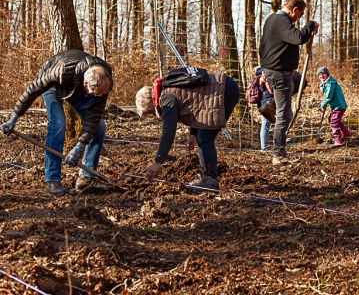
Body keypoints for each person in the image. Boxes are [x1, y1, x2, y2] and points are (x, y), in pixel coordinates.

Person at [0, 50, 113, 196]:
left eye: (102, 94)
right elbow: (32, 90)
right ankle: (52, 180)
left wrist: (79, 146)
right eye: (97, 94)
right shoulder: (60, 71)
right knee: (58, 124)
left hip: (77, 89)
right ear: (86, 84)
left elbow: (95, 116)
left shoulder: (104, 80)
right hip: (55, 84)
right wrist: (14, 118)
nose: (100, 97)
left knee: (99, 127)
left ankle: (86, 178)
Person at [135, 71, 239, 191]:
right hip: (223, 87)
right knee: (201, 136)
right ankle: (206, 177)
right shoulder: (167, 89)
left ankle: (210, 180)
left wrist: (158, 162)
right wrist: (193, 134)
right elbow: (198, 104)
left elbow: (168, 131)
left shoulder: (166, 98)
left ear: (150, 102)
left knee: (205, 138)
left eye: (150, 112)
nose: (153, 114)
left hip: (223, 91)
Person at [258, 0, 319, 165]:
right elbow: (298, 38)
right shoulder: (282, 21)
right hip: (279, 73)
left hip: (280, 71)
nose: (299, 17)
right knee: (285, 115)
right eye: (300, 14)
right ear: (294, 10)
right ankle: (278, 153)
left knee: (301, 82)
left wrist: (264, 68)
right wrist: (309, 25)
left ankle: (272, 105)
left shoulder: (272, 19)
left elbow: (263, 47)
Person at [317, 66, 350, 146]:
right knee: (332, 119)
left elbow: (329, 96)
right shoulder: (326, 83)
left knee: (334, 122)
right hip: (337, 105)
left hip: (339, 106)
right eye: (319, 75)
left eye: (323, 74)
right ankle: (346, 132)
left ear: (327, 74)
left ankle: (337, 140)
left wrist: (323, 104)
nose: (321, 76)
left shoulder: (330, 83)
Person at [255, 66, 274, 151]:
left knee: (266, 125)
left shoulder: (261, 76)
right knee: (266, 125)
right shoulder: (265, 76)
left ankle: (265, 146)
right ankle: (264, 147)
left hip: (263, 103)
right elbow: (271, 91)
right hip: (267, 103)